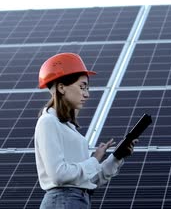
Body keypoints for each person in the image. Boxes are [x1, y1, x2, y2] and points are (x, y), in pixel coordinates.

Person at [34, 52, 137, 209]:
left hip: (76, 201)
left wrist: (116, 157)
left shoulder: (69, 129)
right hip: (63, 202)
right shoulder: (48, 122)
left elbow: (88, 180)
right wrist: (94, 160)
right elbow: (58, 175)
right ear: (61, 87)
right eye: (82, 87)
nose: (87, 94)